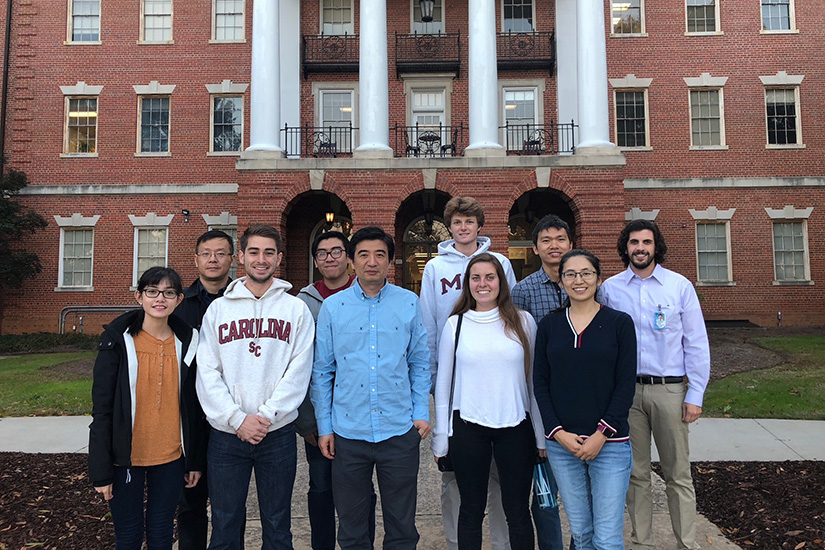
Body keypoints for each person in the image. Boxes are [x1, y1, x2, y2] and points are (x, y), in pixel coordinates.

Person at [196, 224, 315, 550]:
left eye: (268, 253)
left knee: (278, 526)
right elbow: (207, 372)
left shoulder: (295, 309)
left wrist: (264, 416)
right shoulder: (219, 309)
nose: (260, 260)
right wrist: (237, 419)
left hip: (276, 435)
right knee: (224, 525)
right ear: (241, 257)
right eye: (253, 252)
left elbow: (298, 371)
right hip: (226, 436)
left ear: (279, 258)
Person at [311, 226, 431, 550]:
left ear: (390, 261)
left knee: (403, 529)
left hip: (398, 431)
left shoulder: (409, 303)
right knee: (351, 531)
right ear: (352, 261)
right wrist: (325, 427)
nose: (372, 262)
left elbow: (420, 362)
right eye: (363, 254)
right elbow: (322, 371)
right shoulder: (333, 308)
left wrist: (420, 413)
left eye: (380, 254)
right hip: (349, 433)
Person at [600, 219, 711, 550]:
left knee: (678, 474)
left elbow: (696, 342)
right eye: (634, 242)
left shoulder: (678, 286)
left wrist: (696, 394)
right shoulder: (611, 289)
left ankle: (686, 543)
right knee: (636, 475)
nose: (640, 248)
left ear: (656, 247)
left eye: (646, 242)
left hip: (670, 390)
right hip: (627, 394)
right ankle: (642, 542)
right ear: (626, 248)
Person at [419, 196, 515, 550]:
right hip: (455, 380)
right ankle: (457, 540)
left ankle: (502, 541)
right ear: (450, 226)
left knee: (499, 472)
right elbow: (429, 324)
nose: (463, 228)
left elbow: (512, 318)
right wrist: (433, 378)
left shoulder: (500, 263)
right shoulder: (434, 268)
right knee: (456, 471)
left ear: (479, 225)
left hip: (497, 379)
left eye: (469, 221)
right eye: (457, 222)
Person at [432, 253, 543, 550]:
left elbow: (533, 383)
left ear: (501, 281)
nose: (483, 284)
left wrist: (540, 435)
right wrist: (441, 437)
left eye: (489, 277)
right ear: (467, 284)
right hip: (469, 427)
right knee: (469, 511)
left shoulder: (523, 321)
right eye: (475, 278)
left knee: (517, 511)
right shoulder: (455, 325)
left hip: (516, 428)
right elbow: (444, 384)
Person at [89, 266, 204, 550]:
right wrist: (101, 471)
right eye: (152, 291)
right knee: (128, 537)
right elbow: (102, 410)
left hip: (170, 458)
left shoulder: (189, 343)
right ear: (139, 296)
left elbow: (194, 408)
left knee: (162, 533)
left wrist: (194, 461)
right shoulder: (117, 342)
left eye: (168, 292)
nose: (159, 298)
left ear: (179, 299)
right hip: (125, 459)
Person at [533, 250, 636, 550]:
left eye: (586, 273)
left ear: (598, 278)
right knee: (581, 533)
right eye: (571, 274)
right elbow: (540, 382)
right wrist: (558, 433)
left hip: (610, 445)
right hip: (563, 446)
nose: (579, 280)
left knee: (606, 538)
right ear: (561, 282)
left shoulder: (619, 323)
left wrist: (602, 434)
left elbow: (625, 385)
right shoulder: (549, 326)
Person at [295, 231, 376, 550]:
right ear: (315, 261)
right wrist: (306, 421)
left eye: (336, 251)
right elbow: (298, 365)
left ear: (349, 257)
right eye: (322, 253)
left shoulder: (367, 295)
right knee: (321, 489)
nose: (330, 258)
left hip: (359, 416)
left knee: (361, 490)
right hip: (319, 416)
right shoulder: (303, 303)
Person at [511, 214, 575, 550]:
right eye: (546, 240)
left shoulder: (589, 283)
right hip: (541, 403)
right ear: (535, 248)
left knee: (584, 492)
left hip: (583, 401)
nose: (554, 246)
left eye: (560, 239)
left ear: (570, 243)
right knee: (545, 491)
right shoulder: (522, 292)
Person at [173, 230, 235, 550]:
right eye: (206, 253)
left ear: (231, 259)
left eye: (220, 253)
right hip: (191, 419)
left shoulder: (242, 303)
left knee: (230, 510)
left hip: (230, 418)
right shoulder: (179, 307)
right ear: (195, 259)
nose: (213, 259)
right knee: (191, 506)